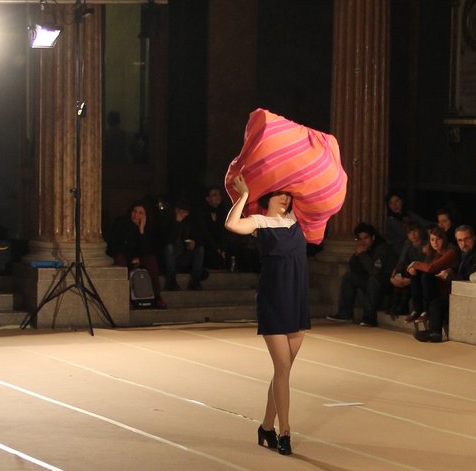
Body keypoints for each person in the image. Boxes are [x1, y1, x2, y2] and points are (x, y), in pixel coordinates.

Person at [225, 174, 309, 456]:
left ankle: (265, 427)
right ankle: (285, 431)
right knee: (283, 370)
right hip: (273, 300)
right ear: (268, 198)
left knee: (282, 372)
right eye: (279, 194)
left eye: (288, 194)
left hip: (296, 300)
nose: (285, 198)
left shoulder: (296, 221)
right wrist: (244, 196)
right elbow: (231, 224)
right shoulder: (260, 222)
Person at [415, 222, 476, 342]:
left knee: (437, 302)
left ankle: (434, 331)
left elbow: (469, 277)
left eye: (466, 239)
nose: (463, 243)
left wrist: (450, 275)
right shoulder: (462, 253)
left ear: (473, 238)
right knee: (425, 279)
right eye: (460, 240)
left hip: (470, 293)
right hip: (455, 290)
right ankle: (430, 324)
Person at [327, 222, 393, 327]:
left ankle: (369, 318)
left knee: (373, 279)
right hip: (371, 279)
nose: (363, 242)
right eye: (360, 239)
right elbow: (354, 267)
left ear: (373, 237)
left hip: (386, 281)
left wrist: (362, 255)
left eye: (366, 238)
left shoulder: (382, 248)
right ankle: (345, 314)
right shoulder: (364, 248)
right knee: (349, 277)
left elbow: (375, 271)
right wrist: (357, 254)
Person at [107, 200, 167, 308]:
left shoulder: (148, 227)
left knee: (151, 260)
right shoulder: (121, 223)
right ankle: (125, 297)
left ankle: (157, 296)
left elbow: (148, 249)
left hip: (140, 257)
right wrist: (131, 258)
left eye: (140, 213)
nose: (136, 215)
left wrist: (141, 230)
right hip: (125, 255)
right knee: (120, 260)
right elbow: (116, 245)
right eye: (134, 211)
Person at [406, 223, 457, 333]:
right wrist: (413, 268)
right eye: (432, 240)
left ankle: (427, 310)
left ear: (444, 239)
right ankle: (418, 309)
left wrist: (415, 264)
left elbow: (432, 268)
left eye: (438, 239)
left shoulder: (450, 252)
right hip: (433, 287)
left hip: (444, 289)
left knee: (426, 276)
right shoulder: (432, 254)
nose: (435, 243)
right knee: (416, 275)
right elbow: (425, 266)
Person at [162, 199, 205, 291]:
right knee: (169, 247)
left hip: (184, 256)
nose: (181, 213)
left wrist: (194, 243)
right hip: (170, 257)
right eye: (179, 210)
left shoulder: (189, 223)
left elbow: (198, 239)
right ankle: (171, 281)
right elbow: (169, 240)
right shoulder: (167, 221)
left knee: (200, 249)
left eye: (184, 211)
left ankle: (195, 281)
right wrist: (177, 222)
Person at [388, 220, 428, 316]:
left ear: (420, 231)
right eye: (410, 233)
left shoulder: (426, 244)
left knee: (410, 273)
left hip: (421, 271)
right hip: (409, 270)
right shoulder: (407, 244)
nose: (413, 235)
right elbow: (401, 261)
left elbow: (426, 263)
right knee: (401, 271)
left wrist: (409, 280)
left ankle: (403, 307)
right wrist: (393, 276)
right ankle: (396, 306)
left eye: (415, 231)